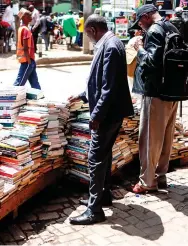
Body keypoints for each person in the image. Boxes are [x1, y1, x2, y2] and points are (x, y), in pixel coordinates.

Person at [67, 15, 133, 225]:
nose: (89, 38)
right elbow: (99, 81)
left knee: (95, 158)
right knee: (103, 155)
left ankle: (94, 210)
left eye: (87, 34)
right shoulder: (110, 43)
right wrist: (82, 95)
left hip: (108, 114)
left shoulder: (111, 47)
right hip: (111, 113)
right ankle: (102, 196)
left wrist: (96, 116)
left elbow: (108, 87)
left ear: (94, 30)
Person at [130, 4, 180, 193]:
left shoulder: (154, 31)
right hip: (173, 92)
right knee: (166, 137)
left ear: (147, 16)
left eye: (140, 21)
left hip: (156, 93)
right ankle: (161, 176)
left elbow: (151, 62)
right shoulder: (172, 27)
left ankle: (147, 182)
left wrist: (139, 48)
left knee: (150, 139)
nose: (140, 26)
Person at [13, 9, 41, 89]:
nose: (31, 17)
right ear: (24, 17)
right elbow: (25, 47)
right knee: (19, 84)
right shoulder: (25, 30)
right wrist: (29, 61)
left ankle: (39, 97)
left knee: (34, 82)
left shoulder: (22, 28)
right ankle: (11, 97)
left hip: (29, 60)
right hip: (27, 60)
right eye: (29, 15)